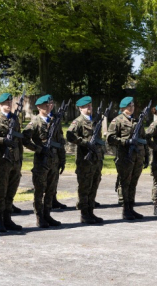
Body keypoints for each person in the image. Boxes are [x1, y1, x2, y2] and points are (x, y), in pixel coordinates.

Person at [22, 94, 66, 228]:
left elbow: (60, 142)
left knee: (51, 190)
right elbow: (24, 139)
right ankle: (39, 216)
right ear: (39, 107)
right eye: (47, 105)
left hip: (55, 161)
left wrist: (62, 160)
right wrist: (38, 149)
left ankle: (47, 214)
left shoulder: (55, 121)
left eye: (51, 104)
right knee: (40, 190)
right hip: (42, 162)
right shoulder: (35, 122)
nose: (49, 107)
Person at [0, 93, 24, 232]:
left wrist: (20, 158)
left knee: (11, 192)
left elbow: (18, 140)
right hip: (1, 161)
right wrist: (2, 140)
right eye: (5, 103)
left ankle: (8, 218)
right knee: (1, 192)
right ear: (0, 105)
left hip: (15, 160)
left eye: (10, 102)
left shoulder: (15, 118)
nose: (8, 105)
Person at [107, 97, 148, 221]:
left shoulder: (136, 121)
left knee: (133, 183)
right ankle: (125, 209)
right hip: (125, 156)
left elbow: (143, 139)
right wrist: (126, 141)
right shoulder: (117, 121)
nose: (132, 108)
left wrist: (146, 156)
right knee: (125, 183)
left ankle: (131, 207)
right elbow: (110, 138)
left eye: (133, 105)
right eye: (129, 106)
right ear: (123, 107)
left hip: (138, 157)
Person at [65, 96, 103, 224]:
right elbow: (69, 135)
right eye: (86, 106)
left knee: (94, 185)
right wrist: (84, 143)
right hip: (85, 161)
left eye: (90, 106)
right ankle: (84, 213)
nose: (89, 108)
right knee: (84, 187)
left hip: (96, 160)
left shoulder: (96, 120)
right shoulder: (78, 122)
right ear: (80, 108)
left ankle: (91, 211)